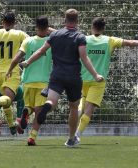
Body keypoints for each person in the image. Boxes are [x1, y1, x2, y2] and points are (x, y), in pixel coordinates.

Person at [21, 9, 103, 147]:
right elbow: (84, 57)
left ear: (64, 20)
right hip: (73, 77)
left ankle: (47, 107)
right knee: (74, 107)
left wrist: (27, 62)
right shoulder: (80, 37)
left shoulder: (55, 35)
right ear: (77, 21)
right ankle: (71, 139)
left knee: (51, 101)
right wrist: (95, 74)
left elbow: (41, 51)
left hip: (57, 75)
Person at [76, 17, 138, 141]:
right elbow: (131, 43)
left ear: (91, 27)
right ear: (103, 28)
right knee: (89, 110)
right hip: (98, 80)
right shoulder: (110, 40)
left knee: (82, 102)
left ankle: (75, 116)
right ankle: (76, 134)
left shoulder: (83, 39)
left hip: (82, 78)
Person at [6, 16, 53, 146]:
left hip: (27, 81)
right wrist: (50, 30)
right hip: (43, 82)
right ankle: (32, 137)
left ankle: (26, 112)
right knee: (40, 110)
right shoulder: (51, 41)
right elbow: (61, 34)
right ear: (47, 27)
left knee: (29, 106)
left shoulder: (28, 41)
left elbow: (17, 58)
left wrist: (9, 70)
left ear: (36, 27)